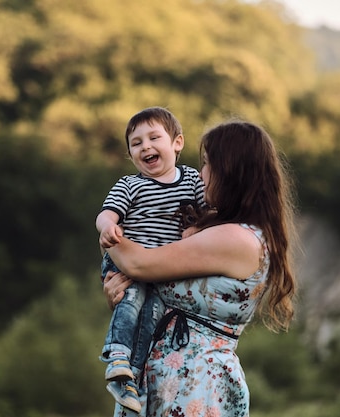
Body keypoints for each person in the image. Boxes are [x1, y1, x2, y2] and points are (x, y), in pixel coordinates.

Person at [103, 119, 297, 417]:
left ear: (230, 171)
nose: (200, 173)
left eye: (207, 164)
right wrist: (123, 295)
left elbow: (138, 263)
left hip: (194, 386)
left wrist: (108, 226)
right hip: (170, 380)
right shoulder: (227, 231)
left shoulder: (235, 238)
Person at [96, 107, 206, 413]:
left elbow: (208, 213)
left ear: (177, 143)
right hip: (129, 262)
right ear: (131, 154)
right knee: (130, 299)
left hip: (162, 271)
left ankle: (131, 377)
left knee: (152, 317)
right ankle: (116, 354)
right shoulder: (131, 185)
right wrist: (107, 226)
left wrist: (197, 227)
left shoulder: (192, 181)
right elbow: (107, 213)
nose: (145, 146)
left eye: (154, 137)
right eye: (136, 143)